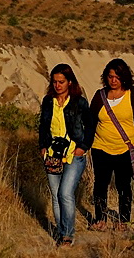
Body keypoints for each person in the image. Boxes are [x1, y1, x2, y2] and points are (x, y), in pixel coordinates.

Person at [88, 58, 134, 232]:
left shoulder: (133, 94)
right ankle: (100, 219)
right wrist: (86, 143)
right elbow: (91, 121)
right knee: (100, 184)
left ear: (124, 78)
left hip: (125, 149)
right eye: (110, 76)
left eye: (117, 77)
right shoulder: (100, 96)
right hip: (100, 147)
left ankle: (123, 220)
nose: (113, 80)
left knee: (123, 185)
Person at [38, 63, 94, 248]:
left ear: (70, 82)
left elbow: (91, 126)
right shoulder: (48, 101)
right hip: (53, 152)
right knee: (55, 195)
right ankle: (62, 233)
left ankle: (68, 235)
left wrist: (83, 146)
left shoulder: (79, 102)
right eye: (54, 82)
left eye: (61, 81)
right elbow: (43, 126)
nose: (57, 85)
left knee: (65, 193)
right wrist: (43, 146)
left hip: (73, 153)